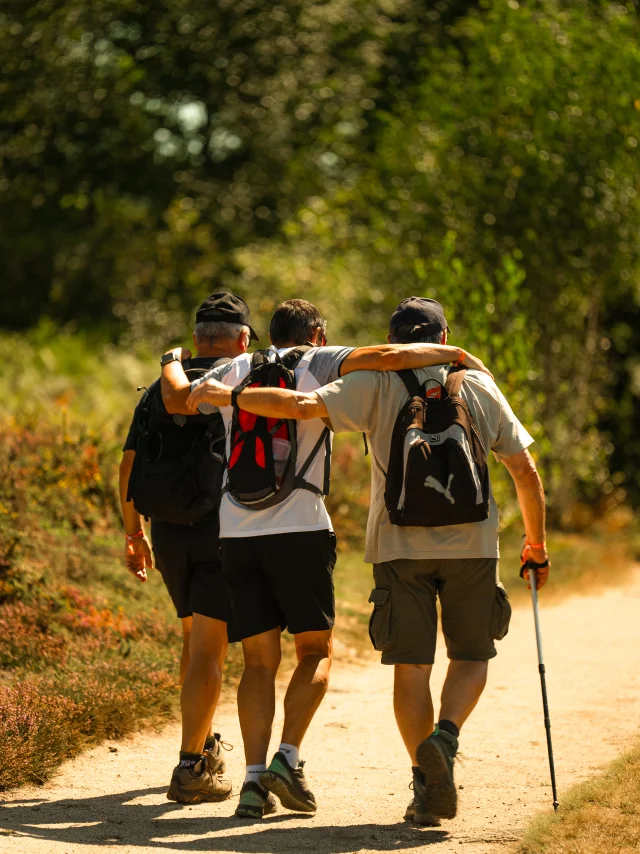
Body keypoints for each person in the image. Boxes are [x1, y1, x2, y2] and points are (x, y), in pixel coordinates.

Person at [190, 296, 550, 826]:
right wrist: (535, 543)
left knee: (411, 668)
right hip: (473, 544)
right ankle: (445, 741)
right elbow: (524, 470)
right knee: (471, 655)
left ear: (393, 340)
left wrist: (236, 396)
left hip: (396, 545)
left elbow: (301, 408)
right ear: (443, 336)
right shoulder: (477, 383)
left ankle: (424, 785)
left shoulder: (372, 383)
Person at [119, 292, 259, 804]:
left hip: (169, 530)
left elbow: (128, 467)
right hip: (223, 527)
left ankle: (201, 741)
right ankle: (191, 766)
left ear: (196, 337)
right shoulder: (243, 381)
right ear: (242, 340)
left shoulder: (163, 386)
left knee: (195, 641)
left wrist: (133, 534)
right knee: (207, 649)